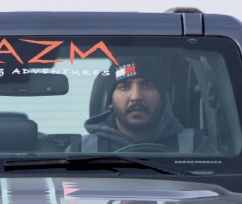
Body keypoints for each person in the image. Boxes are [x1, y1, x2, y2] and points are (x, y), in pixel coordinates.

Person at [81, 63, 216, 153]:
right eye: (124, 87)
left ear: (162, 98)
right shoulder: (81, 150)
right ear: (110, 101)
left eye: (147, 86)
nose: (136, 96)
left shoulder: (195, 146)